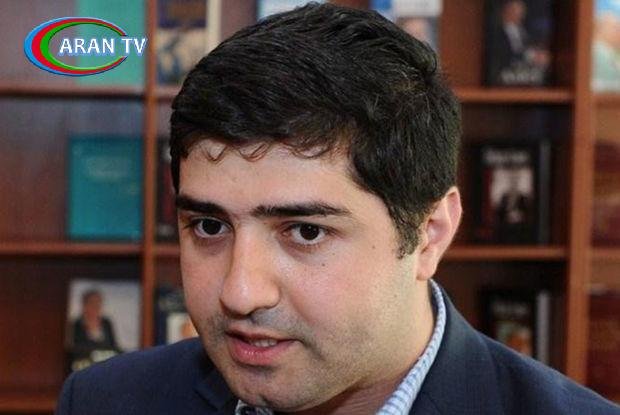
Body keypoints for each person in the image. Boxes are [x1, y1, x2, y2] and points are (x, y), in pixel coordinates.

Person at [56, 3, 620, 414]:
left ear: (429, 233)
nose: (240, 292)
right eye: (209, 225)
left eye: (305, 231)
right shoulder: (105, 401)